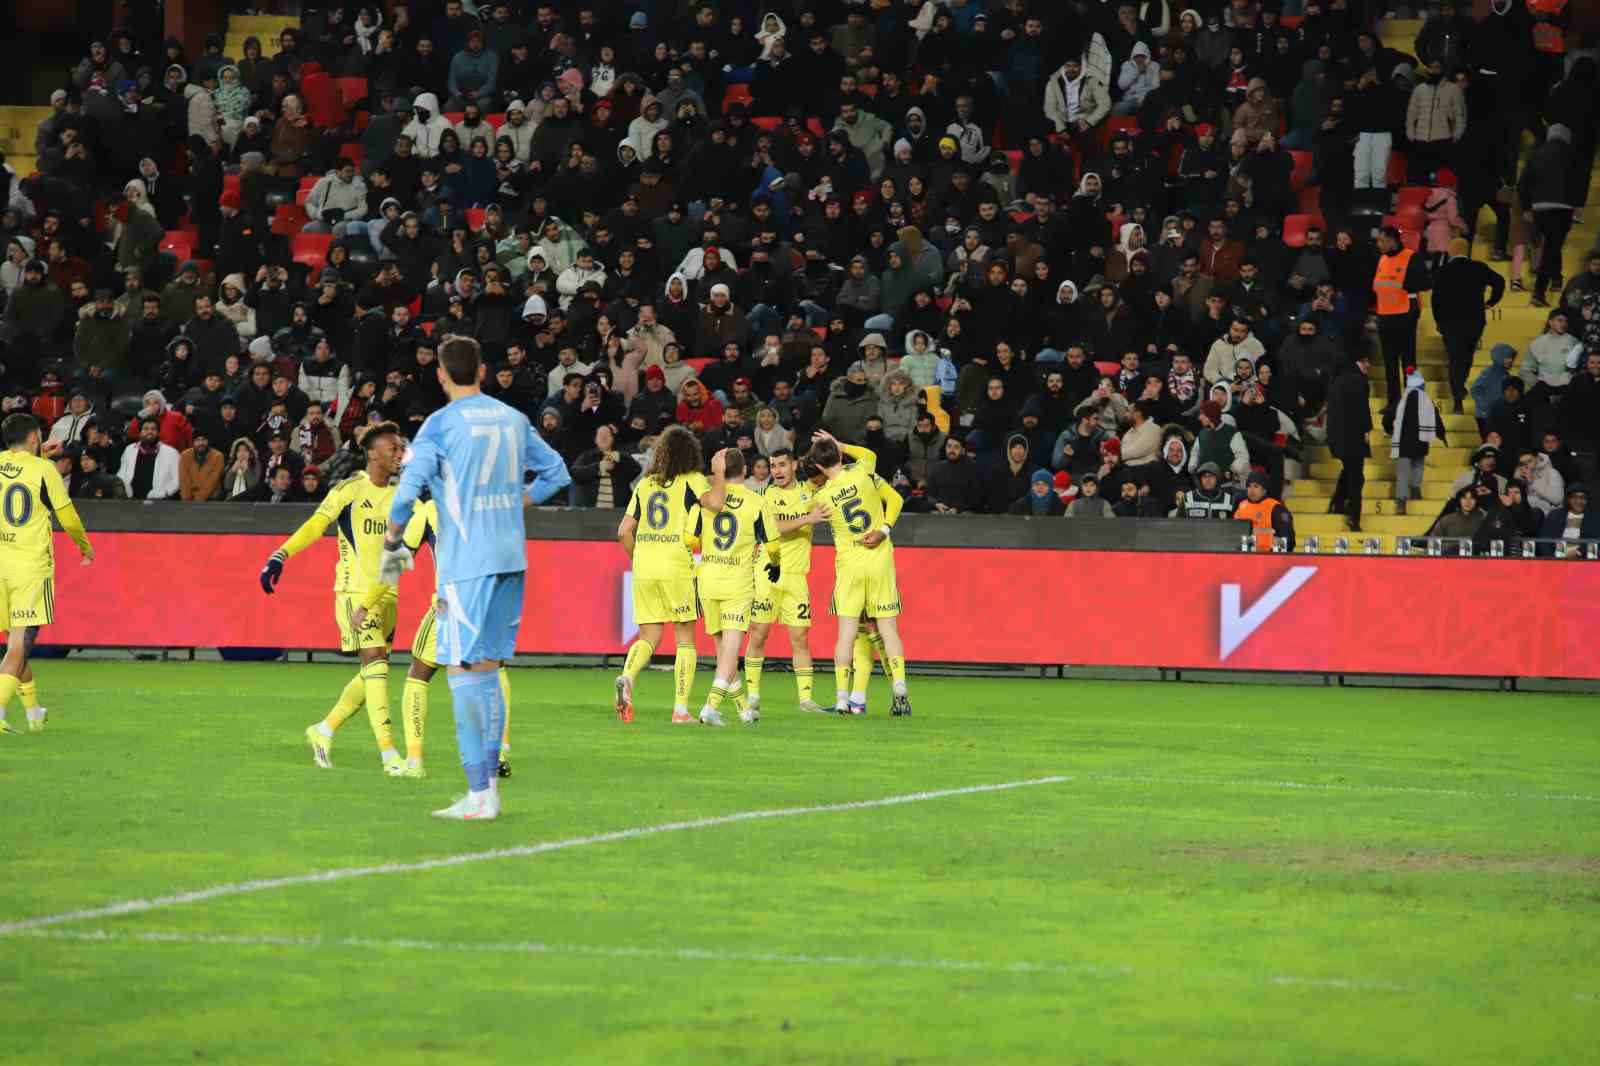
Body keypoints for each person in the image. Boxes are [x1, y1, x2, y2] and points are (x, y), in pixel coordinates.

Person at [378, 337, 571, 820]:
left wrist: (393, 538)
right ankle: (488, 792)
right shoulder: (513, 418)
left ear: (441, 375)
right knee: (486, 669)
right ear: (482, 371)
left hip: (467, 564)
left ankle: (478, 793)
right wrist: (516, 503)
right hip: (511, 558)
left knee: (462, 673)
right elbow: (557, 473)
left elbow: (406, 492)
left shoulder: (439, 426)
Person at [260, 423, 411, 776]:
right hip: (353, 590)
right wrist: (280, 555)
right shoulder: (350, 489)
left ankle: (323, 730)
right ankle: (390, 756)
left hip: (387, 593)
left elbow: (410, 543)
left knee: (376, 669)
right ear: (372, 453)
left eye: (401, 448)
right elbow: (317, 524)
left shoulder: (404, 495)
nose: (399, 454)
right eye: (393, 448)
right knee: (375, 662)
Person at [363, 498, 515, 779]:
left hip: (451, 605)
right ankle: (499, 750)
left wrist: (365, 604)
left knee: (418, 675)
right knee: (495, 669)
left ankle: (415, 761)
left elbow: (395, 564)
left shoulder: (430, 510)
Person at [783, 430, 911, 717]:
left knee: (847, 634)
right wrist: (840, 444)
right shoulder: (865, 472)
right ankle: (899, 684)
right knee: (889, 630)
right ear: (840, 454)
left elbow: (800, 513)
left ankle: (842, 698)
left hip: (850, 564)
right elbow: (870, 455)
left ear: (816, 467)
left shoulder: (822, 497)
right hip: (879, 558)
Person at [613, 424, 726, 724]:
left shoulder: (645, 485)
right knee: (685, 638)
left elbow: (623, 530)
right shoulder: (692, 480)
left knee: (649, 635)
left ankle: (627, 677)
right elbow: (716, 504)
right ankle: (680, 710)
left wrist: (638, 557)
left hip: (645, 567)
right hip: (676, 565)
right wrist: (721, 473)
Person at [0, 415, 95, 736]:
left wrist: (40, 456)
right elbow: (67, 515)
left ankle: (34, 713)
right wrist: (85, 547)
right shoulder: (45, 471)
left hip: (1, 563)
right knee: (19, 645)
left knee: (16, 646)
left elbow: (15, 476)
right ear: (32, 438)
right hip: (30, 567)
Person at [684, 449, 778, 726]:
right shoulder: (756, 502)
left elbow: (690, 540)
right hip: (737, 582)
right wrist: (776, 563)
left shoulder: (705, 501)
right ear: (746, 470)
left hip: (709, 579)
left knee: (722, 648)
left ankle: (742, 709)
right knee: (731, 648)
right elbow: (772, 545)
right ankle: (711, 705)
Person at [744, 447, 826, 716]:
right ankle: (753, 695)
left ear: (793, 465)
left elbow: (832, 488)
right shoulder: (766, 495)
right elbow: (773, 528)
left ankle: (805, 699)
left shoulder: (809, 492)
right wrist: (807, 518)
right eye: (772, 465)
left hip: (796, 576)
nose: (776, 470)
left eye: (781, 465)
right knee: (758, 632)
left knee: (800, 637)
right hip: (767, 573)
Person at [1431, 238, 1506, 412]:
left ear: (1451, 251)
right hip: (1474, 322)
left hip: (1450, 323)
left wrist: (1439, 321)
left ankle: (1457, 396)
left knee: (1455, 359)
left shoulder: (1443, 271)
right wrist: (1491, 302)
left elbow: (1436, 300)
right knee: (1466, 356)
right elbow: (1500, 282)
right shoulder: (1479, 268)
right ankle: (1460, 387)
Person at [1372, 227, 1428, 411]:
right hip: (1385, 317)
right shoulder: (1382, 259)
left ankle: (1412, 402)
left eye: (1381, 240)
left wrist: (1407, 285)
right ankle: (1393, 403)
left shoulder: (1411, 257)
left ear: (1391, 240)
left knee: (1409, 362)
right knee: (1389, 364)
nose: (1378, 244)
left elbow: (1426, 282)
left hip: (1404, 315)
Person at [1326, 354, 1374, 532]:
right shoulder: (1359, 381)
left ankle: (1337, 503)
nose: (1368, 364)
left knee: (1350, 471)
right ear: (1359, 361)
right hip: (1353, 436)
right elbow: (1362, 408)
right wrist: (1367, 430)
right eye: (1366, 361)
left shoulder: (1338, 379)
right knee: (1356, 477)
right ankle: (1354, 517)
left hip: (1338, 436)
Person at [1388, 369, 1445, 511]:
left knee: (1403, 471)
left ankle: (1401, 501)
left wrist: (1389, 429)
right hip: (1421, 441)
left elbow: (1388, 417)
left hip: (1403, 442)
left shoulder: (1401, 399)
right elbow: (1436, 420)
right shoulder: (1427, 400)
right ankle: (1415, 490)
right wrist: (1442, 434)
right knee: (1417, 466)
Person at [116, 416, 181, 500]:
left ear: (158, 432)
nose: (149, 431)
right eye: (146, 429)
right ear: (140, 432)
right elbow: (121, 474)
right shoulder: (129, 450)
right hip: (131, 501)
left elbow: (177, 480)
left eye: (153, 429)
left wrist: (164, 492)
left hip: (159, 503)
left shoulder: (171, 453)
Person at [1234, 471, 1295, 551]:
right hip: (1243, 556)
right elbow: (1233, 535)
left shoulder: (1276, 508)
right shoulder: (1241, 506)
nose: (1251, 490)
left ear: (1264, 490)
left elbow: (1288, 540)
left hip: (1268, 557)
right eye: (1249, 486)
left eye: (1256, 486)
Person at [1537, 484, 1600, 556]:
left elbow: (1596, 543)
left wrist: (1578, 553)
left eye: (1583, 498)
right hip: (1556, 559)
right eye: (1574, 497)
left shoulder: (1595, 518)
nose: (1578, 501)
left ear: (1587, 500)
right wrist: (1553, 557)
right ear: (1568, 499)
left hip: (1583, 560)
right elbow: (1543, 542)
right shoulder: (1554, 515)